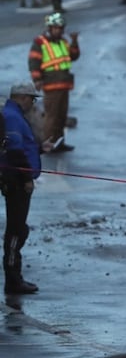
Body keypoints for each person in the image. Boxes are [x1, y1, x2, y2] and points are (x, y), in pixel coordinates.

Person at [2, 83, 55, 294]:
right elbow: (14, 151)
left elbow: (21, 147)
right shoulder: (13, 117)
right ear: (21, 97)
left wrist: (40, 149)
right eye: (32, 99)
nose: (33, 104)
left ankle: (15, 277)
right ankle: (13, 281)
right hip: (16, 181)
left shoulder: (12, 115)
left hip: (14, 178)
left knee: (18, 229)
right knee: (16, 231)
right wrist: (26, 179)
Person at [28, 13, 79, 152]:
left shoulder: (63, 42)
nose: (59, 30)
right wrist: (37, 79)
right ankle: (48, 144)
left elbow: (74, 56)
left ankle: (59, 142)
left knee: (61, 117)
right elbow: (34, 62)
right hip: (51, 85)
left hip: (64, 85)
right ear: (50, 28)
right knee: (52, 117)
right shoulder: (40, 43)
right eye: (56, 28)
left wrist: (74, 41)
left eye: (61, 28)